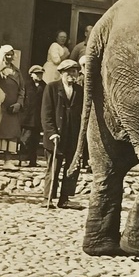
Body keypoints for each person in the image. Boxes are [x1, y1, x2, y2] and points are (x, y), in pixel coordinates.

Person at [41, 58, 84, 209]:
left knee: (71, 168)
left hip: (72, 135)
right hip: (56, 136)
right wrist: (51, 132)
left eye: (75, 71)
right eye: (69, 72)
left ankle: (64, 199)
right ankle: (48, 198)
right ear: (61, 73)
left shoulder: (80, 90)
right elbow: (46, 114)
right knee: (54, 167)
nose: (73, 75)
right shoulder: (52, 88)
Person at [0, 45, 24, 168]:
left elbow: (22, 89)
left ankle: (8, 160)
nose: (9, 57)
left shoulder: (17, 71)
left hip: (12, 106)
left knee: (10, 133)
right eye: (7, 54)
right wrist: (1, 63)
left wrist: (19, 103)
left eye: (11, 54)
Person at [19, 65, 45, 167]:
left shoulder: (45, 86)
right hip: (27, 117)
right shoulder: (26, 85)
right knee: (25, 139)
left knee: (35, 140)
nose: (39, 76)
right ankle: (23, 159)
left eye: (41, 74)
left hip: (38, 118)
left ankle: (33, 161)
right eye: (37, 74)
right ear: (31, 74)